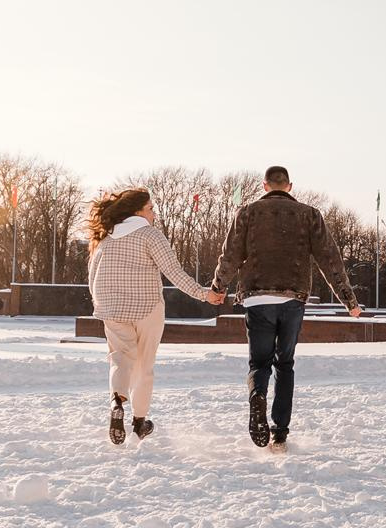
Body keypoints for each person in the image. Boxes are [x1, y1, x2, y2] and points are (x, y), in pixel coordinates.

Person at [213, 166, 361, 453]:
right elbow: (330, 260)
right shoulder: (309, 214)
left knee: (259, 363)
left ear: (265, 185)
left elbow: (230, 254)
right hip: (293, 297)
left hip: (257, 297)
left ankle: (257, 394)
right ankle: (279, 433)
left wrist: (219, 287)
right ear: (289, 186)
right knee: (285, 363)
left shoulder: (247, 212)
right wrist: (349, 302)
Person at [85, 187, 222, 445]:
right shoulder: (149, 235)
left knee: (120, 359)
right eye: (150, 209)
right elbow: (174, 272)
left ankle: (117, 400)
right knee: (144, 366)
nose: (154, 214)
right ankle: (138, 422)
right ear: (137, 211)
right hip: (146, 308)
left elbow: (93, 276)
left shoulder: (105, 238)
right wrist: (205, 295)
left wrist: (100, 304)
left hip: (111, 308)